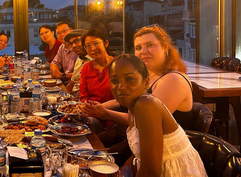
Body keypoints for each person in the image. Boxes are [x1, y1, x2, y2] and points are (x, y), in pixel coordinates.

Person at [82, 24, 193, 166]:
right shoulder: (150, 75)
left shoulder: (174, 79)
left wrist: (105, 113)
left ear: (165, 48)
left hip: (161, 153)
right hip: (134, 138)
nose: (144, 51)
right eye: (138, 48)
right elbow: (125, 99)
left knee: (90, 160)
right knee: (83, 146)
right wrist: (95, 108)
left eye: (150, 45)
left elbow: (144, 120)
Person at [109, 54, 206, 177]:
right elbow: (138, 155)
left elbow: (151, 173)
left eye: (129, 79)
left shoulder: (146, 105)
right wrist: (121, 173)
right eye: (114, 80)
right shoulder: (133, 108)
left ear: (146, 82)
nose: (121, 87)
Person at [79, 28, 115, 104]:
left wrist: (103, 108)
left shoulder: (119, 64)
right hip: (92, 112)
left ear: (106, 43)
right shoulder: (86, 68)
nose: (92, 48)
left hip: (116, 112)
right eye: (88, 46)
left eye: (95, 43)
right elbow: (83, 97)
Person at [63, 29, 92, 94]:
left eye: (76, 41)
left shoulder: (94, 60)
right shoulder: (79, 59)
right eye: (71, 43)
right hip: (74, 96)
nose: (73, 46)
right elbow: (72, 82)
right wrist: (62, 96)